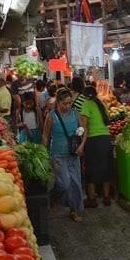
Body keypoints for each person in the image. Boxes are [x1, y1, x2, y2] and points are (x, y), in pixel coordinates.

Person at [42, 88, 86, 222]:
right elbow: (45, 135)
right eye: (65, 103)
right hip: (57, 155)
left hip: (73, 154)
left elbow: (84, 130)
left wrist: (81, 145)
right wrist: (44, 154)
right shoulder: (51, 116)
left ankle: (74, 210)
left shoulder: (75, 113)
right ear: (58, 102)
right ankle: (53, 198)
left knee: (75, 184)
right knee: (64, 184)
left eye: (70, 103)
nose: (68, 106)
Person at [80, 86, 113, 207]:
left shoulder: (87, 104)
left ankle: (92, 199)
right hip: (106, 139)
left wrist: (81, 141)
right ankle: (106, 197)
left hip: (93, 140)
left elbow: (84, 126)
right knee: (106, 168)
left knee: (90, 170)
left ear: (84, 95)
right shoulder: (102, 104)